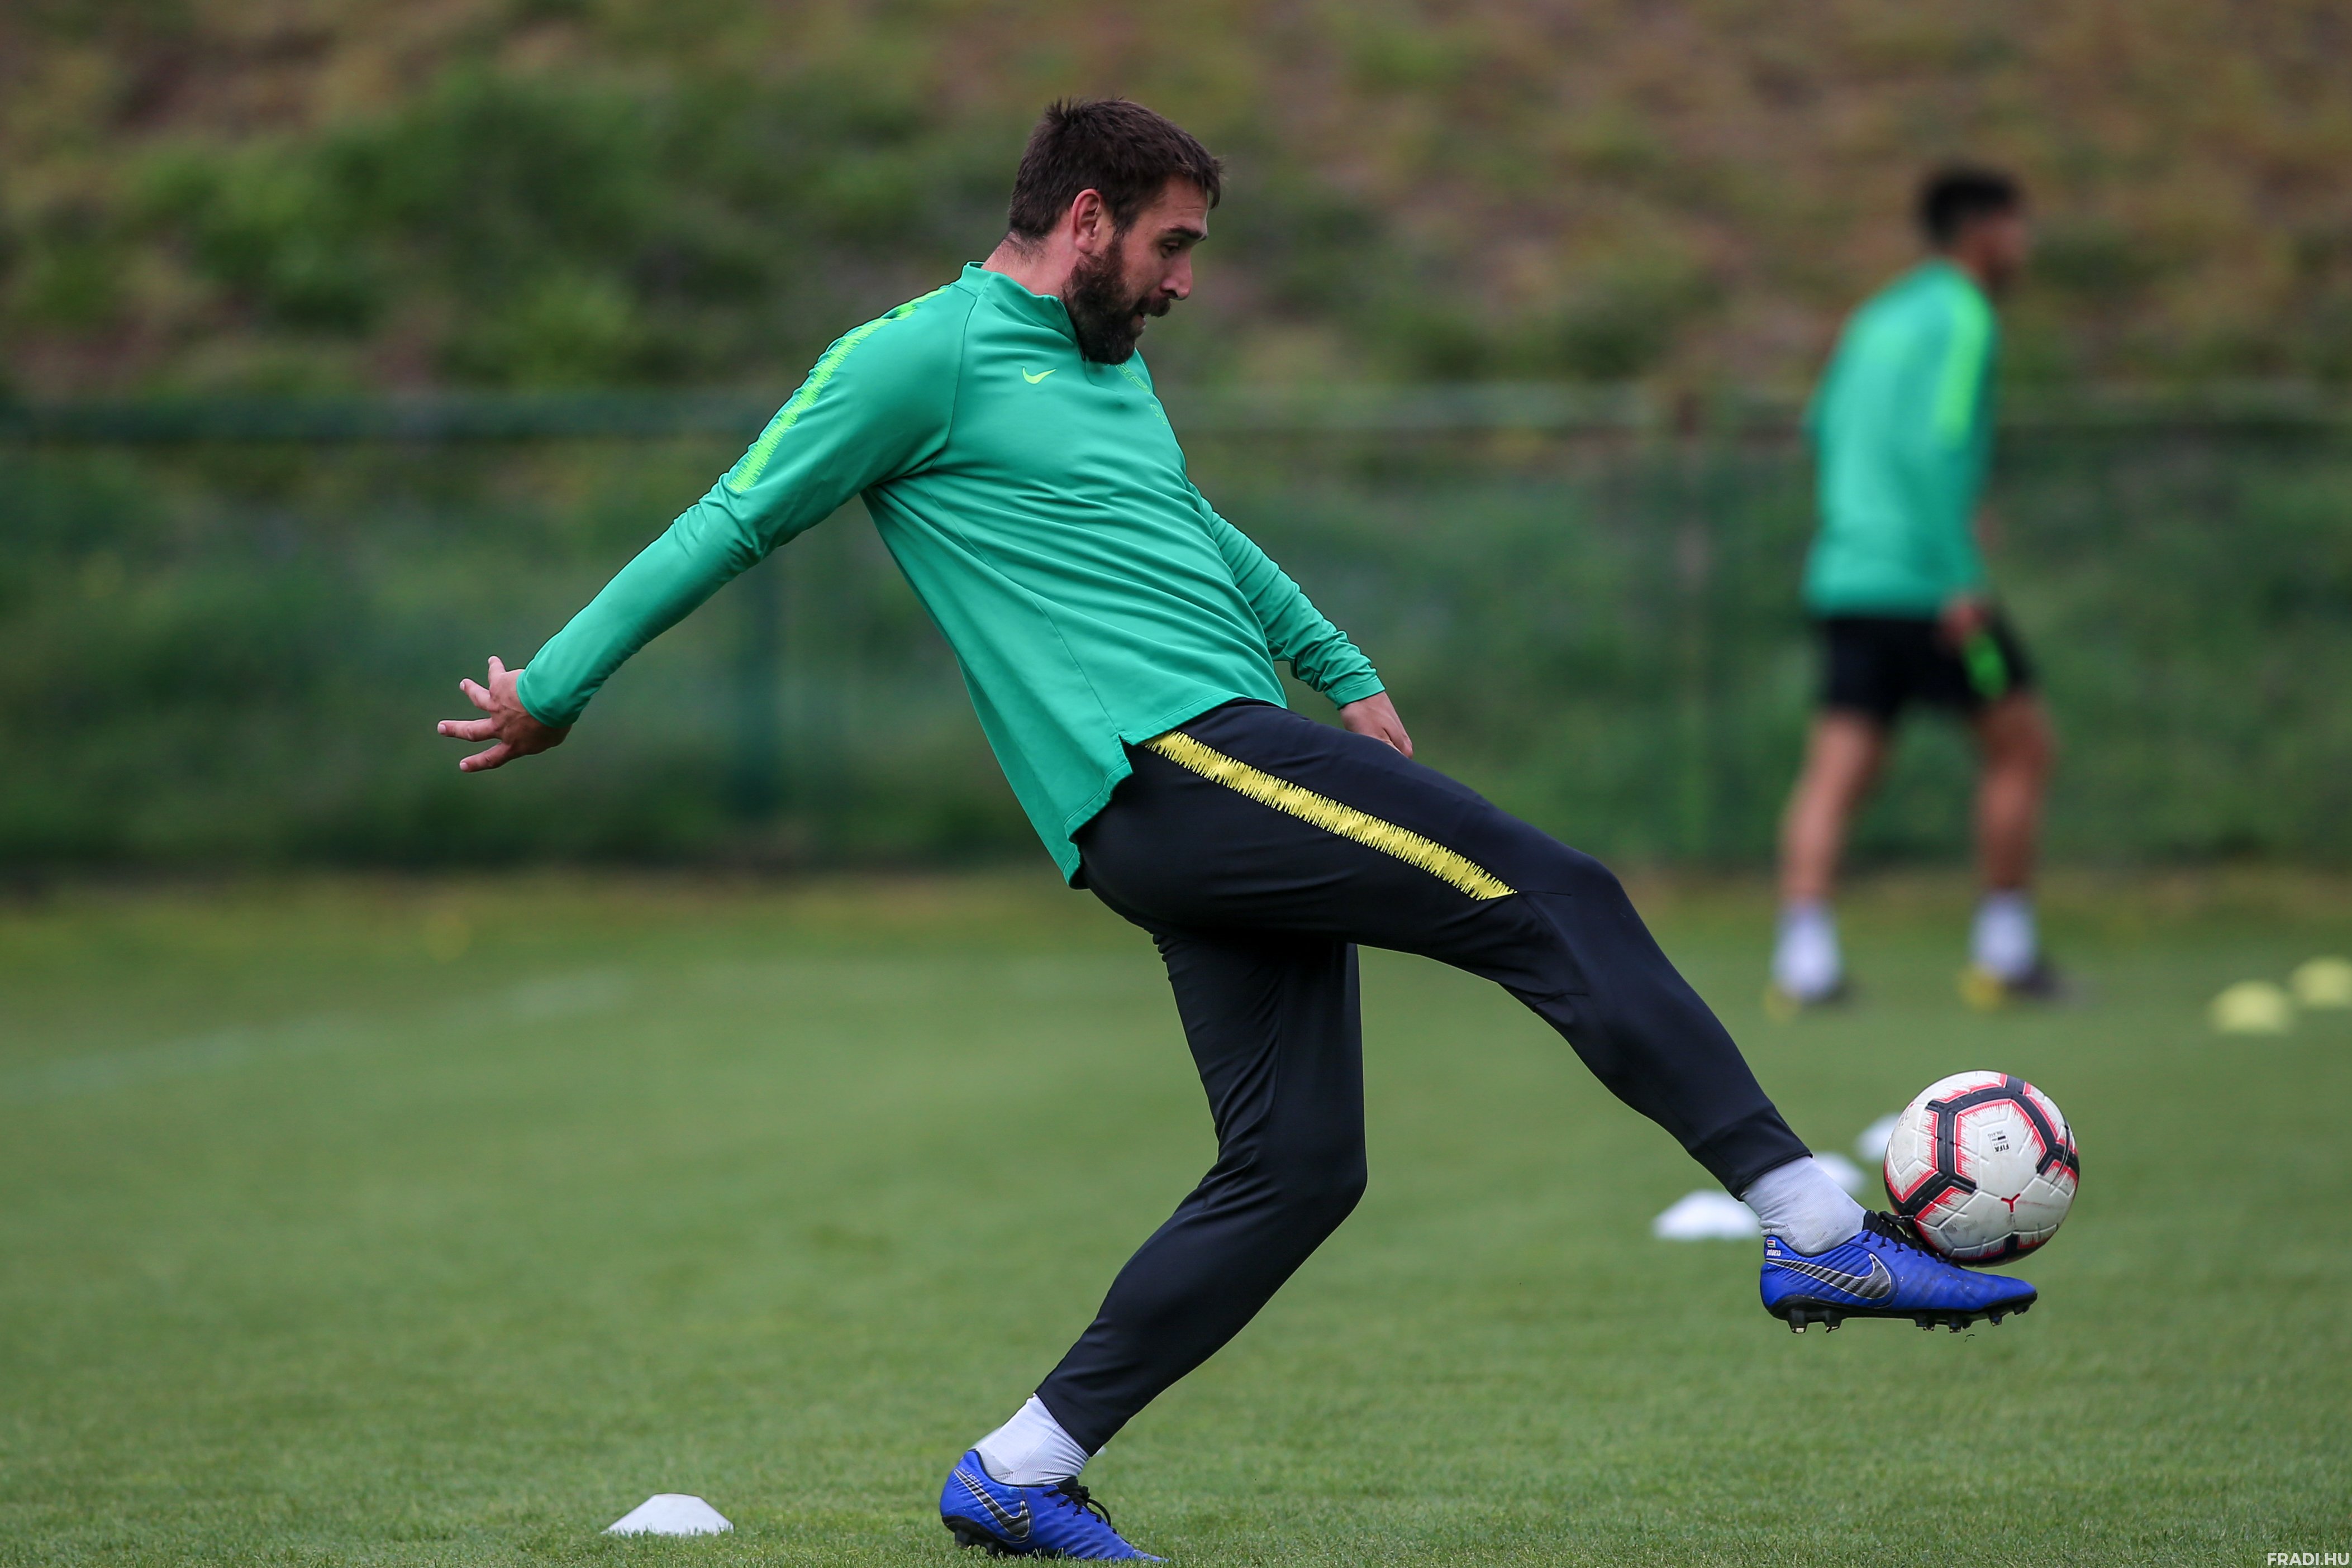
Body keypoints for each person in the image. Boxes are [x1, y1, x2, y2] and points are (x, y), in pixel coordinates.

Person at [439, 102, 2036, 1561]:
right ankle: (1810, 1226)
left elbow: (1189, 527)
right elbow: (732, 516)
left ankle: (1019, 1470)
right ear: (1084, 219)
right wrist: (556, 690)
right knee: (1549, 892)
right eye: (1172, 245)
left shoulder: (1107, 365)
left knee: (1296, 1170)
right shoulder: (911, 360)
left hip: (1213, 772)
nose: (1185, 283)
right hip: (1170, 768)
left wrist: (1338, 664)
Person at [1771, 167, 2061, 1014]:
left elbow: (1819, 427)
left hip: (1846, 578)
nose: (2024, 246)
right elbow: (1940, 442)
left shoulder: (1877, 315)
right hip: (1932, 589)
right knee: (2022, 747)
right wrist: (1959, 570)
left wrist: (1863, 515)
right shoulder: (1964, 315)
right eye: (2017, 227)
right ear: (1983, 230)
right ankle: (2004, 953)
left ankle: (1803, 963)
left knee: (1835, 770)